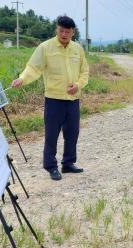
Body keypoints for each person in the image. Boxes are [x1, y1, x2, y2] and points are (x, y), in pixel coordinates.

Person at [11, 15, 88, 181]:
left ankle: (68, 163)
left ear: (73, 32)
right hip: (54, 100)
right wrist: (22, 79)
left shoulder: (78, 49)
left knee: (72, 133)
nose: (64, 34)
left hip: (73, 100)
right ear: (56, 29)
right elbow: (33, 68)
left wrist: (78, 85)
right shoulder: (45, 48)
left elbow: (85, 72)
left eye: (67, 31)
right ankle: (51, 166)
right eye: (61, 30)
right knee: (51, 135)